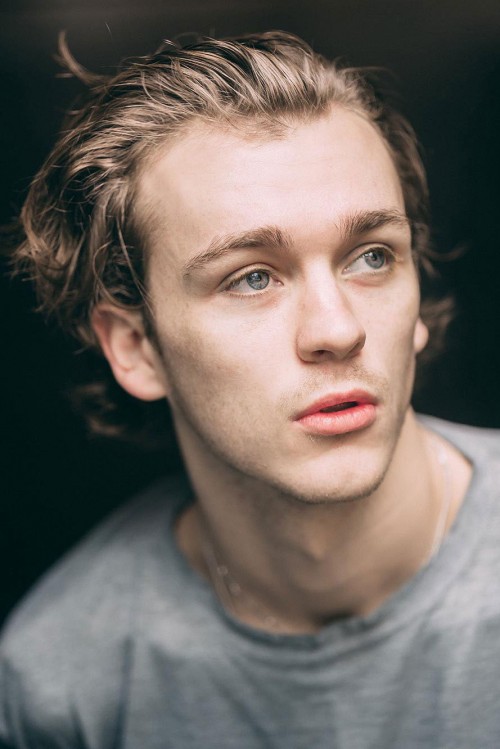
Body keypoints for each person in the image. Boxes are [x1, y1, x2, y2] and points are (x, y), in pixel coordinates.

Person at [0, 30, 499, 749]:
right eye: (252, 277)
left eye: (371, 257)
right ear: (136, 348)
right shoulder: (63, 684)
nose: (338, 329)